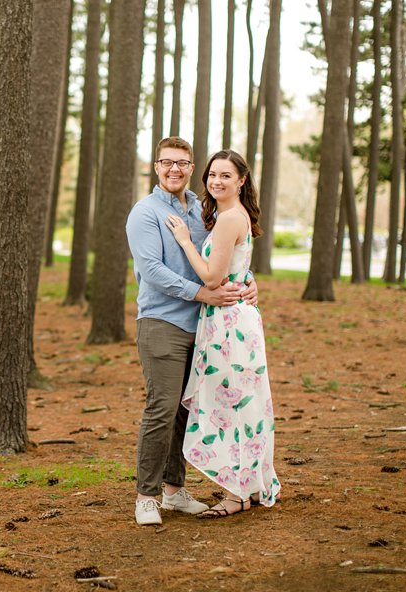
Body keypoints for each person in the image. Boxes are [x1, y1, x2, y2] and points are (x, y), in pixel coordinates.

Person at [126, 137, 258, 526]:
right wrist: (200, 292)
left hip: (204, 326)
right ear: (156, 167)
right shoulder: (145, 212)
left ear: (190, 167)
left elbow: (222, 257)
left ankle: (173, 490)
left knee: (186, 411)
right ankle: (145, 496)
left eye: (182, 163)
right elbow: (152, 270)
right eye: (167, 162)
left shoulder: (203, 212)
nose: (175, 170)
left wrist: (248, 280)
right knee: (162, 408)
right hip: (162, 323)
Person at [165, 148, 281, 517]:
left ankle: (236, 494)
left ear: (241, 181)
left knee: (231, 404)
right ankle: (246, 486)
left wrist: (185, 240)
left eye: (226, 176)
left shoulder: (231, 218)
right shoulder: (228, 216)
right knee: (239, 402)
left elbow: (213, 277)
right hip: (231, 317)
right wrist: (248, 280)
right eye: (212, 175)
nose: (216, 181)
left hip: (229, 323)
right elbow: (236, 267)